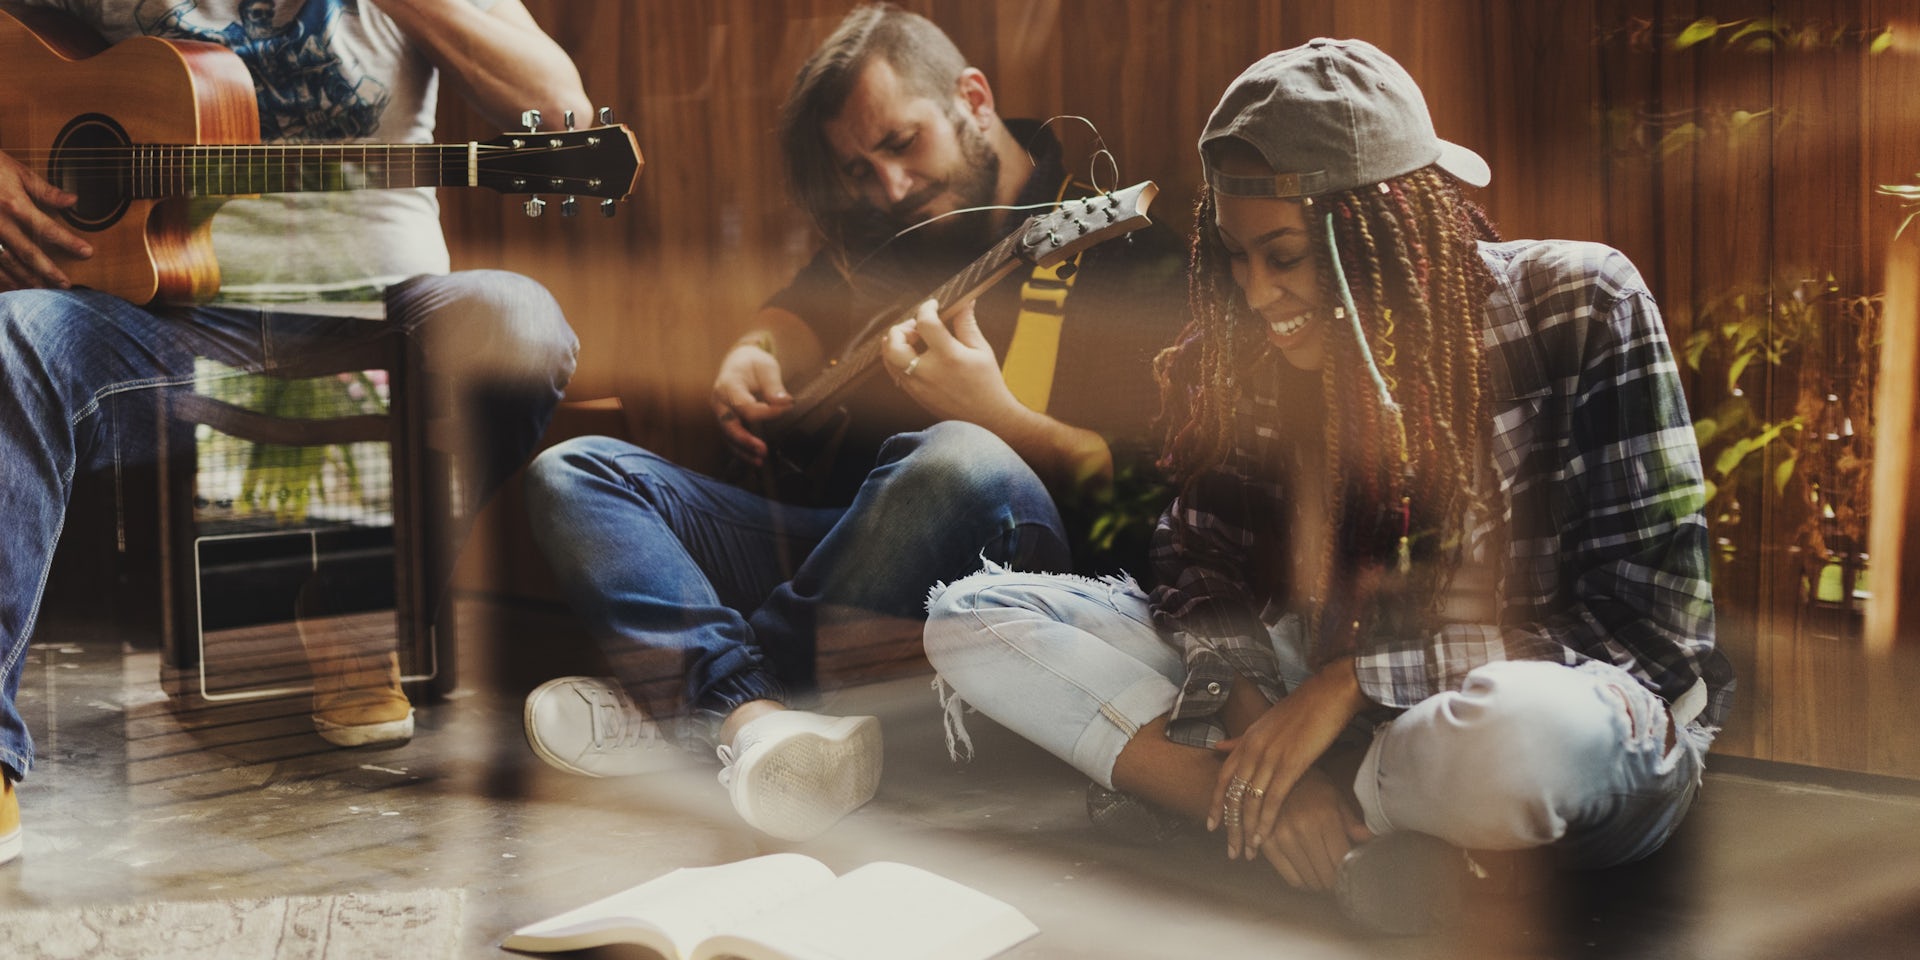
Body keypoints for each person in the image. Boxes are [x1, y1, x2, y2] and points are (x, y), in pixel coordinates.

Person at [922, 38, 1735, 934]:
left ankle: (1298, 812)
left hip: (1538, 724)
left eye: (1288, 255)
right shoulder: (1249, 354)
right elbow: (1195, 558)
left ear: (1388, 230)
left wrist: (1353, 682)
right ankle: (1298, 820)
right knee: (971, 618)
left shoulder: (1582, 302)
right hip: (1312, 707)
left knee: (1531, 739)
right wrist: (1256, 707)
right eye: (1236, 256)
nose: (1259, 294)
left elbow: (1651, 641)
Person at [519, 2, 1186, 842]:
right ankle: (757, 724)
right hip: (836, 554)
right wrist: (756, 347)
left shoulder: (1133, 252)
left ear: (972, 99)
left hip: (996, 584)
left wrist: (997, 415)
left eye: (902, 146)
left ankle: (702, 707)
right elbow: (808, 304)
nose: (891, 188)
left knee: (961, 457)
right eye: (860, 170)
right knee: (576, 470)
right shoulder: (895, 226)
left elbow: (1143, 502)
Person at [0, 0, 592, 866]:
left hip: (381, 318)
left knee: (521, 324)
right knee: (8, 338)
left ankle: (363, 606)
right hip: (170, 318)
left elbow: (564, 110)